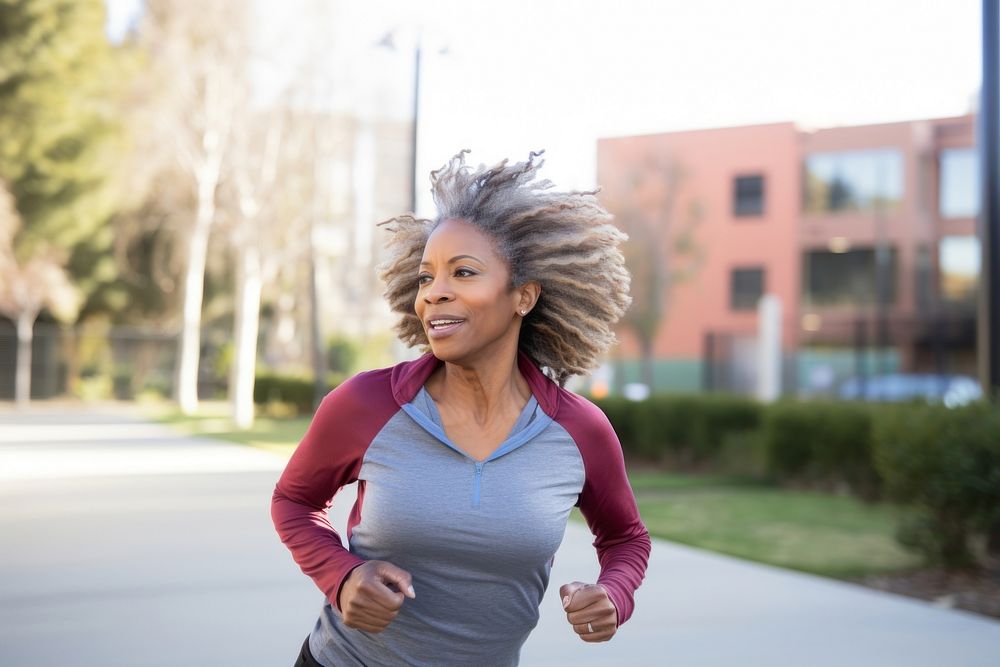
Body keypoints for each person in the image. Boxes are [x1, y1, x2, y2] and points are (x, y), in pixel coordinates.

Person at [272, 149, 651, 667]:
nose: (434, 295)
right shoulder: (367, 404)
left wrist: (615, 594)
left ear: (524, 297)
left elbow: (626, 536)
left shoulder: (578, 431)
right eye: (426, 278)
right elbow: (294, 502)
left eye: (463, 273)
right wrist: (341, 576)